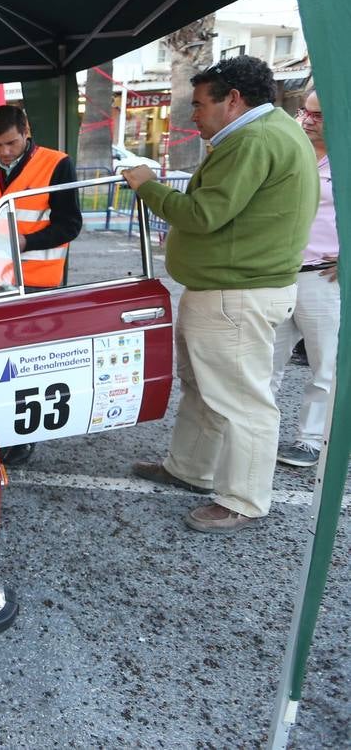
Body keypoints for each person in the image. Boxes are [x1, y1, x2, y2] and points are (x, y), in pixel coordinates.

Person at [124, 55, 317, 534]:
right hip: (231, 289)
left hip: (236, 292)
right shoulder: (269, 132)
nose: (194, 115)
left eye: (200, 104)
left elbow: (204, 215)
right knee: (208, 391)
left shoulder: (253, 139)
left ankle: (245, 500)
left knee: (240, 402)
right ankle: (190, 468)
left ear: (233, 100)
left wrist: (147, 185)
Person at [267, 89, 336, 469]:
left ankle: (310, 440)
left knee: (325, 366)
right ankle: (260, 435)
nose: (307, 120)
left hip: (324, 277)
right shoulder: (292, 148)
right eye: (304, 112)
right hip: (279, 271)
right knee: (266, 362)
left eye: (318, 115)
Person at [0, 104, 82, 289]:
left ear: (26, 131)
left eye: (11, 143)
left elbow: (70, 226)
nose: (4, 152)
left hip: (36, 282)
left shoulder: (57, 164)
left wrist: (26, 242)